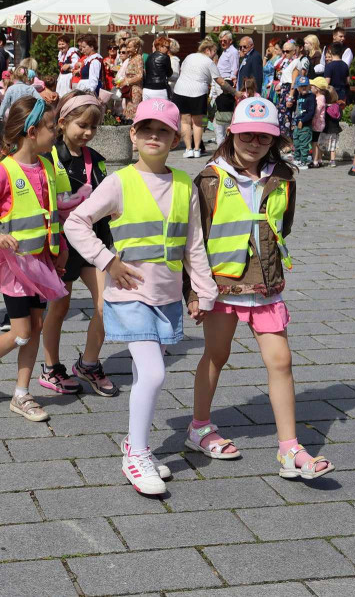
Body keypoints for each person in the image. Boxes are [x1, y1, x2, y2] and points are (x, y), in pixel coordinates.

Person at [65, 97, 216, 494]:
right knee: (153, 372)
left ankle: (134, 442)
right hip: (128, 294)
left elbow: (194, 245)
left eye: (163, 130)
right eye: (146, 129)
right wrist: (106, 260)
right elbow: (76, 222)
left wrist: (202, 291)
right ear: (133, 134)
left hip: (166, 296)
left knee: (142, 371)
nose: (154, 136)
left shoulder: (185, 184)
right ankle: (136, 455)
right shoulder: (118, 181)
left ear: (176, 137)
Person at [185, 95, 332, 481]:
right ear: (230, 133)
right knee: (216, 355)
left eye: (263, 138)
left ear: (275, 140)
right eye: (247, 135)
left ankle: (290, 449)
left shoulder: (284, 176)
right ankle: (199, 426)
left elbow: (284, 224)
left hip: (266, 285)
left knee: (281, 361)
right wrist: (194, 291)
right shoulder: (208, 179)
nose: (254, 143)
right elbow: (192, 240)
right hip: (223, 286)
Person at [0, 96, 65, 423]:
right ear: (32, 131)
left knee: (35, 328)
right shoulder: (4, 171)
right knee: (22, 331)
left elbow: (53, 214)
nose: (56, 133)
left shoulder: (47, 166)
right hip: (15, 267)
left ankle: (21, 394)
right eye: (52, 128)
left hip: (41, 264)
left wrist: (58, 252)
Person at [39, 92, 116, 397]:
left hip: (92, 242)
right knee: (60, 307)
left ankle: (89, 362)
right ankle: (51, 367)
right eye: (82, 125)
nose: (87, 133)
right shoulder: (48, 157)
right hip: (60, 245)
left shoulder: (96, 160)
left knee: (106, 303)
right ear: (63, 122)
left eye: (93, 128)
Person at [173, 38, 235, 158]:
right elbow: (220, 81)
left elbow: (182, 71)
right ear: (207, 50)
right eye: (214, 52)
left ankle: (188, 149)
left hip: (181, 90)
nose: (215, 55)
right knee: (198, 123)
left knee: (185, 121)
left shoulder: (189, 56)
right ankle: (197, 149)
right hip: (198, 91)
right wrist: (234, 92)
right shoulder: (209, 62)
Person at [290, 75, 314, 170]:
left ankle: (304, 161)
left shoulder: (311, 97)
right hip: (297, 123)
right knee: (296, 141)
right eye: (301, 86)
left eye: (305, 86)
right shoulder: (298, 96)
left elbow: (311, 112)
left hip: (305, 124)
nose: (303, 88)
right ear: (298, 88)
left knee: (304, 143)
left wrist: (302, 121)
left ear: (309, 86)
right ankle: (297, 158)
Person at [117, 37, 144, 123]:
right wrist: (120, 82)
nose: (127, 49)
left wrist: (127, 81)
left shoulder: (138, 58)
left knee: (133, 113)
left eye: (129, 47)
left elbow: (140, 76)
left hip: (135, 90)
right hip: (129, 90)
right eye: (127, 47)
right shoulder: (131, 58)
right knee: (128, 112)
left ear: (136, 48)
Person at [142, 36, 172, 101]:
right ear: (159, 46)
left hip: (147, 89)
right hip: (160, 89)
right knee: (162, 110)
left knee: (148, 110)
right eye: (167, 47)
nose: (168, 49)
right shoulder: (165, 57)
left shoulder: (149, 56)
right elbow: (169, 73)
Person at [319, 87, 343, 168]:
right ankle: (332, 161)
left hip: (324, 129)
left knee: (321, 145)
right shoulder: (337, 106)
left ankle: (319, 160)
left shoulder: (323, 106)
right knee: (333, 147)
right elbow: (339, 117)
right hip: (334, 130)